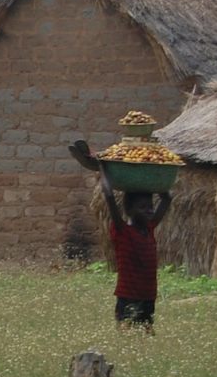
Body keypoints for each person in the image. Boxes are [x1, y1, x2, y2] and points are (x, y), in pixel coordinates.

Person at [71, 141, 170, 330]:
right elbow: (108, 195)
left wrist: (157, 174)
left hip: (148, 295)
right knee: (127, 333)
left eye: (150, 207)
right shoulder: (122, 230)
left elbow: (167, 199)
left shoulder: (149, 228)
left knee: (145, 336)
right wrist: (103, 167)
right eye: (143, 208)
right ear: (130, 210)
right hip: (128, 295)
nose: (149, 211)